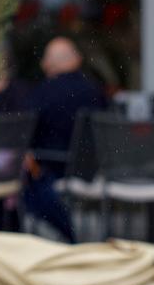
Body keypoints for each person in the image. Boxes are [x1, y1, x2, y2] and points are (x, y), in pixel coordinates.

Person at [23, 36, 106, 242]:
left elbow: (25, 136)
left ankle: (67, 236)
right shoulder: (95, 91)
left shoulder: (43, 93)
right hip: (92, 172)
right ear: (76, 60)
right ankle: (71, 237)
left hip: (55, 171)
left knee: (27, 180)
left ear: (50, 64)